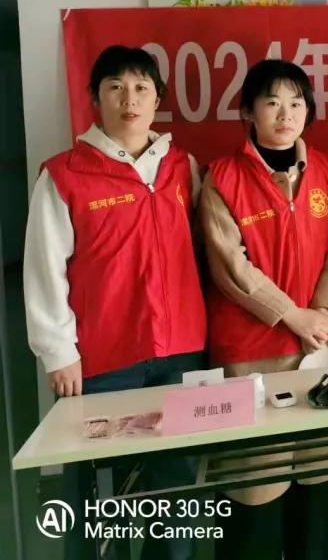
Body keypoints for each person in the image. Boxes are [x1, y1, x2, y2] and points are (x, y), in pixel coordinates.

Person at [23, 45, 207, 560]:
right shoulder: (64, 174)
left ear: (158, 99)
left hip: (180, 352)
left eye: (142, 88)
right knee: (101, 498)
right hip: (102, 361)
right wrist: (58, 352)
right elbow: (43, 268)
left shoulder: (182, 167)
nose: (130, 100)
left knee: (177, 487)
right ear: (95, 97)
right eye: (116, 88)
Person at [200, 59, 328, 559]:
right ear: (248, 111)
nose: (286, 114)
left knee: (321, 471)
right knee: (255, 483)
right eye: (272, 103)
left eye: (296, 103)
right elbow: (231, 267)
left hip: (317, 346)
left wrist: (323, 312)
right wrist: (292, 315)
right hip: (252, 351)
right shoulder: (222, 177)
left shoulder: (326, 171)